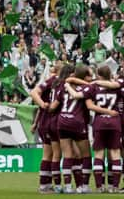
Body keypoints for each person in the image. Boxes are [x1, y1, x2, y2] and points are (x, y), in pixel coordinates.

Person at [68, 65, 122, 193]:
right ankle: (114, 187)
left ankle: (99, 187)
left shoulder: (93, 87)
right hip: (115, 122)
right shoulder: (117, 87)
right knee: (115, 154)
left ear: (99, 75)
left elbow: (81, 98)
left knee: (99, 154)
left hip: (99, 123)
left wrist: (68, 85)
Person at [50, 65, 92, 194]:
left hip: (62, 122)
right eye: (89, 75)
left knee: (67, 155)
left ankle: (68, 186)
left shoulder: (63, 86)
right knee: (86, 155)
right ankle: (83, 186)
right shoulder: (87, 88)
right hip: (77, 122)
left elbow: (53, 107)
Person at [30, 61, 62, 193]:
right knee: (51, 154)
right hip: (50, 122)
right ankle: (46, 185)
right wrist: (43, 104)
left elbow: (39, 106)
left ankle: (46, 184)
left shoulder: (55, 81)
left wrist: (35, 123)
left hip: (44, 121)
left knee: (49, 154)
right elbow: (34, 92)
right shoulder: (53, 81)